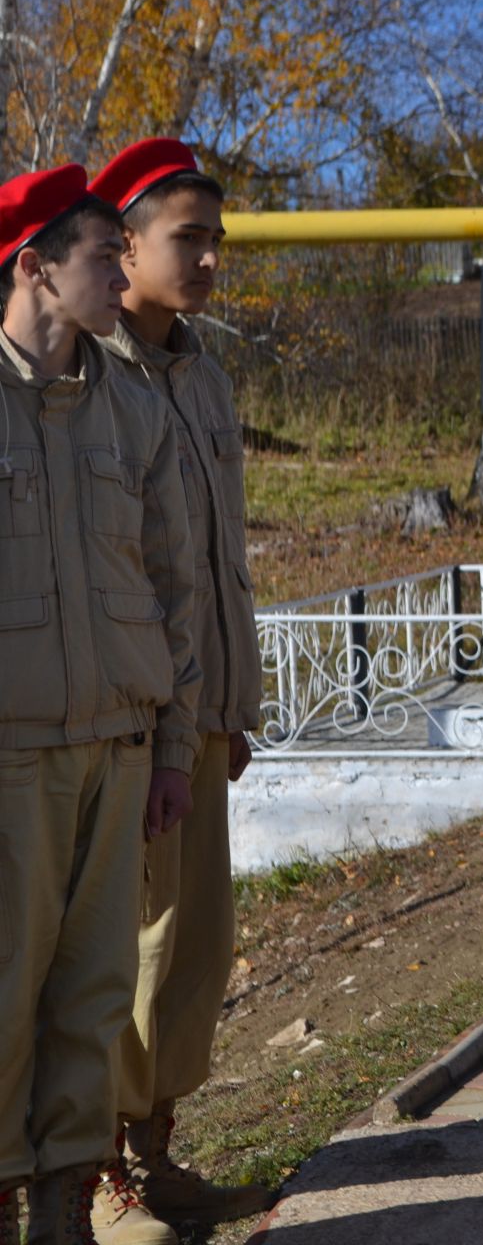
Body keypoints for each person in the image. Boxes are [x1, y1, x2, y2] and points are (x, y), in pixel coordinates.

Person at [0, 165, 202, 1245]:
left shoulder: (134, 407)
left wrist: (173, 747)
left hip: (119, 753)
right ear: (34, 267)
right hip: (12, 758)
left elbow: (175, 589)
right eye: (101, 257)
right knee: (1, 999)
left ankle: (64, 1210)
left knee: (93, 994)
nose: (123, 275)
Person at [86, 139, 271, 1243]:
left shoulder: (204, 372)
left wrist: (233, 703)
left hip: (203, 712)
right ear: (126, 245)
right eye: (185, 237)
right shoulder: (86, 372)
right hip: (120, 714)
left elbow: (220, 556)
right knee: (127, 940)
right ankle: (97, 1170)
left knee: (196, 943)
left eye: (216, 239)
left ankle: (156, 1151)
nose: (206, 259)